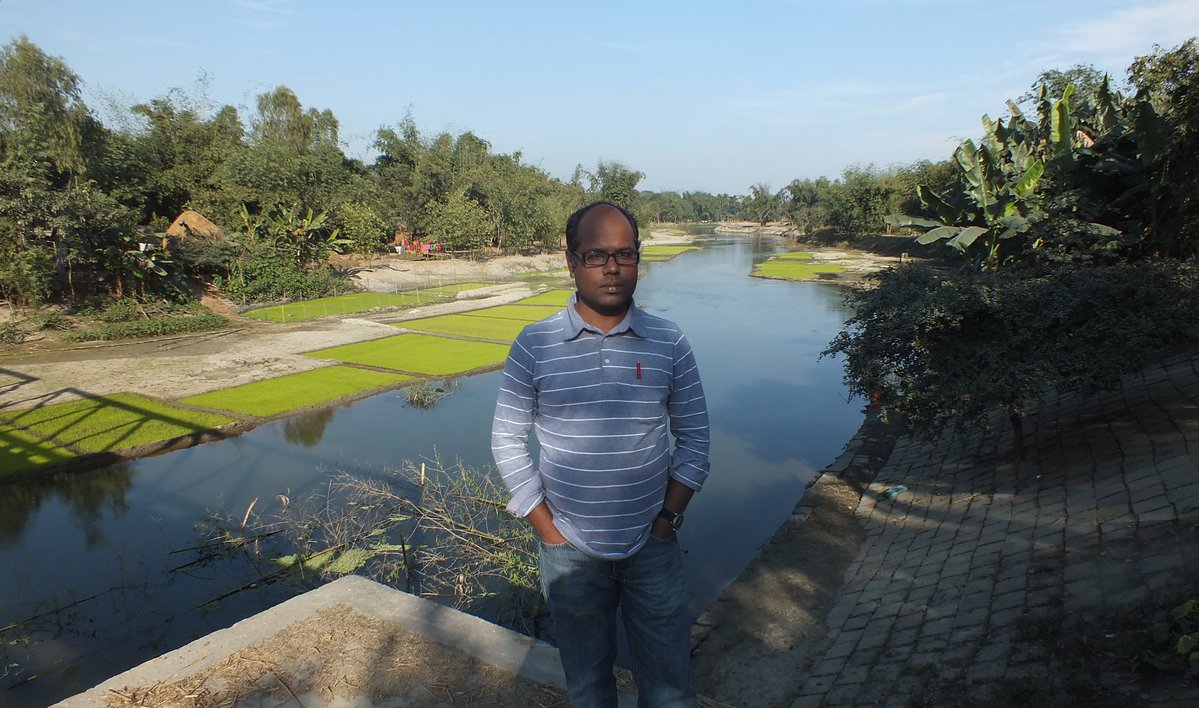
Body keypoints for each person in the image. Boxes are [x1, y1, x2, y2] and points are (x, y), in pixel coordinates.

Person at [491, 201, 710, 707]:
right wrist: (547, 527)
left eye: (624, 254)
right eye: (596, 255)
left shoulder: (668, 340)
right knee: (589, 687)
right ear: (571, 262)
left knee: (670, 689)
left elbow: (695, 440)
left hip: (651, 548)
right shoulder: (536, 343)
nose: (612, 268)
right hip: (570, 554)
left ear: (638, 260)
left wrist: (667, 521)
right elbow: (507, 439)